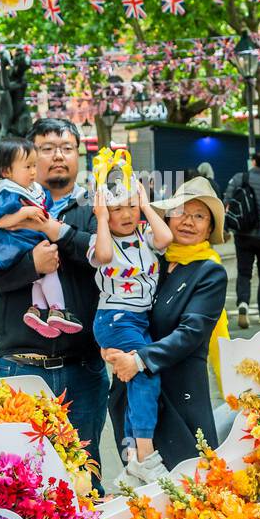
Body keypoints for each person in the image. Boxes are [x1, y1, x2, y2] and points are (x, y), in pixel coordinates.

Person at [0, 117, 109, 491]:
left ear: (79, 155)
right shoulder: (5, 207)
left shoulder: (96, 206)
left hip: (84, 368)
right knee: (24, 479)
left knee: (86, 473)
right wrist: (31, 267)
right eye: (46, 149)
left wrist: (58, 235)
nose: (57, 157)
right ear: (28, 157)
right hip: (20, 366)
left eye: (66, 148)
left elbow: (108, 257)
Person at [104, 177, 228, 475]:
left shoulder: (210, 273)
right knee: (142, 502)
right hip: (136, 396)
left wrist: (138, 360)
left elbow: (191, 333)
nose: (188, 221)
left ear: (210, 229)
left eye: (199, 216)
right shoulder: (150, 263)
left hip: (180, 398)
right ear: (167, 218)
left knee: (188, 492)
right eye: (181, 212)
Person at [89, 161, 172, 484]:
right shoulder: (99, 240)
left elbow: (164, 238)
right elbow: (106, 257)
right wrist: (100, 219)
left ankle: (132, 464)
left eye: (129, 206)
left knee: (134, 381)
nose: (125, 215)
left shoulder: (146, 235)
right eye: (115, 209)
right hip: (115, 319)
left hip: (139, 320)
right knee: (146, 373)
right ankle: (145, 455)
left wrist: (145, 204)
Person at [0, 137, 82, 338]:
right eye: (27, 166)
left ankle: (37, 310)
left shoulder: (38, 192)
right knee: (46, 272)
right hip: (14, 244)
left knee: (39, 277)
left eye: (34, 165)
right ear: (6, 171)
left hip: (26, 242)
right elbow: (2, 220)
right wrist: (25, 213)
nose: (33, 171)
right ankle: (57, 309)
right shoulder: (7, 192)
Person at [225, 150, 260, 328]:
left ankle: (243, 304)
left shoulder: (240, 178)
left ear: (254, 162)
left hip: (244, 233)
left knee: (244, 272)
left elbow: (227, 199)